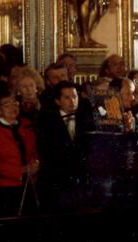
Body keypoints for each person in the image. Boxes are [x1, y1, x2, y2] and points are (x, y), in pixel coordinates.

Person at [36, 82, 95, 212]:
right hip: (58, 183)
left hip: (81, 183)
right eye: (67, 98)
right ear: (58, 101)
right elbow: (46, 152)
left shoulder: (87, 119)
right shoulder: (47, 122)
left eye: (74, 96)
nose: (72, 101)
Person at [0, 91, 39, 218]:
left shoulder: (26, 124)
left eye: (15, 103)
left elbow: (34, 150)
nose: (13, 107)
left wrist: (35, 164)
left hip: (29, 184)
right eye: (7, 105)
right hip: (5, 188)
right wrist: (20, 171)